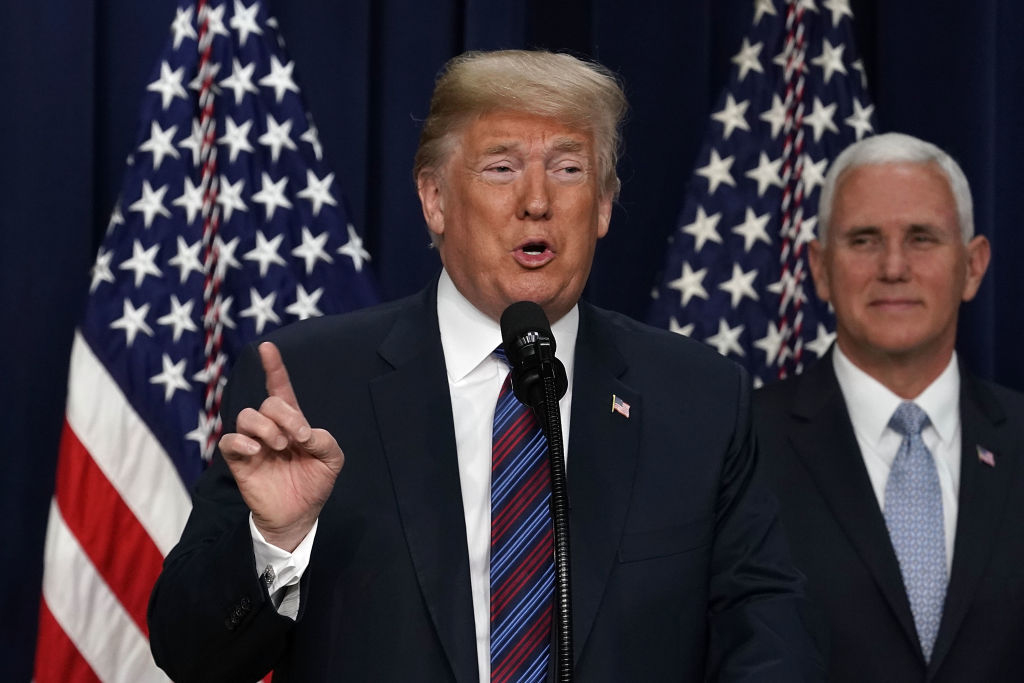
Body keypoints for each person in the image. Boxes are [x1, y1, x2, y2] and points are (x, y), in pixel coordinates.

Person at [149, 49, 816, 682]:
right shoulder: (314, 386)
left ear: (605, 204)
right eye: (501, 167)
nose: (536, 200)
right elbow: (192, 656)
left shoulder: (696, 397)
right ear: (435, 199)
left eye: (568, 167)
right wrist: (276, 537)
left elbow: (767, 641)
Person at [754, 132, 1024, 681]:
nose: (894, 266)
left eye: (922, 238)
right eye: (864, 239)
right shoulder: (740, 445)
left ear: (973, 267)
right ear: (821, 268)